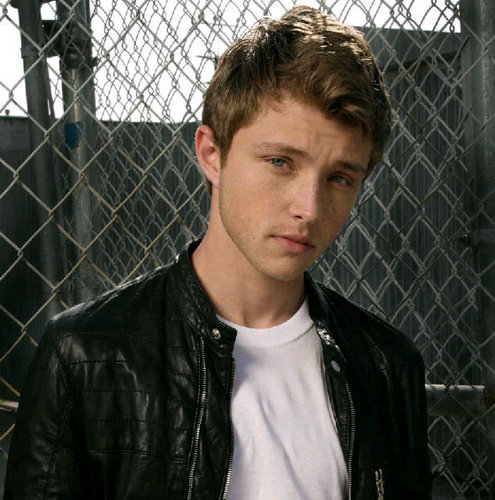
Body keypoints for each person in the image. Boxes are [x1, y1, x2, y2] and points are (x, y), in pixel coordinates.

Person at [4, 5, 431, 499]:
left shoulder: (387, 365)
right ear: (212, 154)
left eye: (339, 178)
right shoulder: (85, 355)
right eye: (280, 162)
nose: (309, 209)